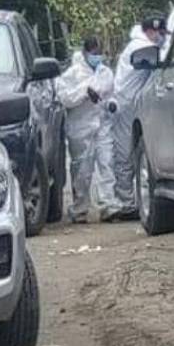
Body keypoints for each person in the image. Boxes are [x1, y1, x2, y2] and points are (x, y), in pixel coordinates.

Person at [100, 16, 166, 221]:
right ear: (151, 31)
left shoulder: (138, 44)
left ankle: (128, 199)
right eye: (160, 33)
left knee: (128, 153)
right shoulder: (142, 47)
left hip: (131, 105)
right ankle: (126, 202)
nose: (162, 37)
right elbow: (162, 61)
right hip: (125, 106)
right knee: (124, 154)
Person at [55, 37, 114, 223]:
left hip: (102, 124)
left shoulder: (106, 73)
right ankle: (80, 208)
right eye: (94, 53)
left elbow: (112, 95)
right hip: (81, 127)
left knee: (107, 164)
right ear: (85, 53)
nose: (97, 57)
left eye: (99, 53)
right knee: (82, 170)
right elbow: (65, 98)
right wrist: (84, 92)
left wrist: (112, 104)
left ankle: (107, 205)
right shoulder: (72, 74)